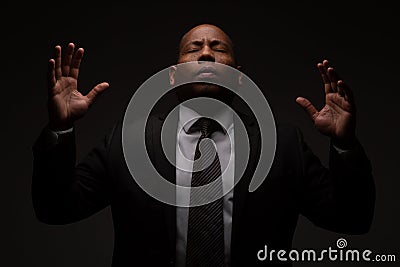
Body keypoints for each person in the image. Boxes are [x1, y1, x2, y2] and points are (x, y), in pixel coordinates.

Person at [32, 24, 376, 267]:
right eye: (194, 49)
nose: (207, 54)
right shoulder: (127, 143)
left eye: (218, 48)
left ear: (239, 77)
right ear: (172, 75)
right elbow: (55, 209)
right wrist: (60, 129)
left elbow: (352, 218)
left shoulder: (283, 145)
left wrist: (344, 145)